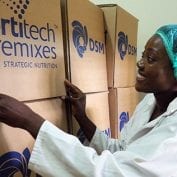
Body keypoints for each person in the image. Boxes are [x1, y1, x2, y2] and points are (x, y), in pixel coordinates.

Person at [0, 24, 177, 177]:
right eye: (142, 55)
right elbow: (121, 150)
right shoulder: (149, 103)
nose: (140, 63)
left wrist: (30, 121)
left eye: (151, 58)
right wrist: (82, 117)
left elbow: (112, 172)